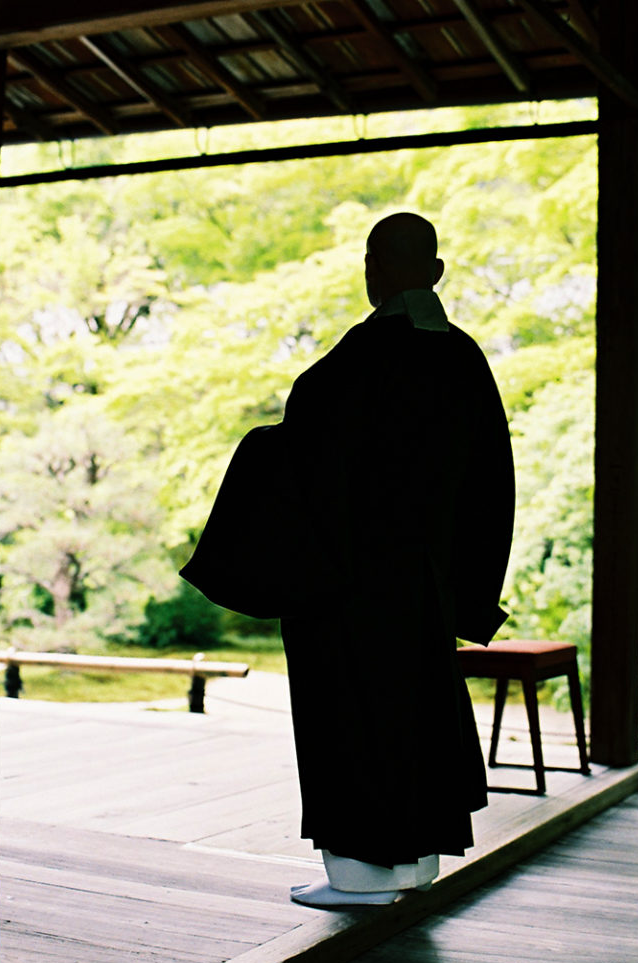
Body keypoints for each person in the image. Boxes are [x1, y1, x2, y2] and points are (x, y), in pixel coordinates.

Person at [181, 212, 515, 908]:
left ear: (395, 270)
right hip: (421, 584)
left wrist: (257, 446)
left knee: (352, 722)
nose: (371, 272)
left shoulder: (361, 359)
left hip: (344, 583)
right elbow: (491, 485)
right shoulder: (461, 357)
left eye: (376, 260)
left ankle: (360, 877)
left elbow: (298, 457)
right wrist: (467, 590)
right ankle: (415, 866)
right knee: (414, 720)